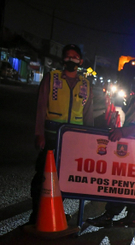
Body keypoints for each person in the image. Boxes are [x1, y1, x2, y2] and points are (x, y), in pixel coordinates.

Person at [87, 65, 135, 228]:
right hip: (131, 151)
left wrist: (123, 131)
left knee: (121, 185)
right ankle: (131, 217)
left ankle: (109, 216)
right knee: (130, 186)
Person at [30, 44, 93, 224]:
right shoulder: (51, 78)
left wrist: (90, 141)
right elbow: (41, 108)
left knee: (63, 179)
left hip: (74, 141)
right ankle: (36, 214)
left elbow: (88, 115)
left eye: (75, 57)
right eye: (67, 56)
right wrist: (39, 133)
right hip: (51, 136)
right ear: (62, 59)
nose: (71, 59)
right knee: (42, 176)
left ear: (80, 61)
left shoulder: (86, 85)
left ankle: (53, 211)